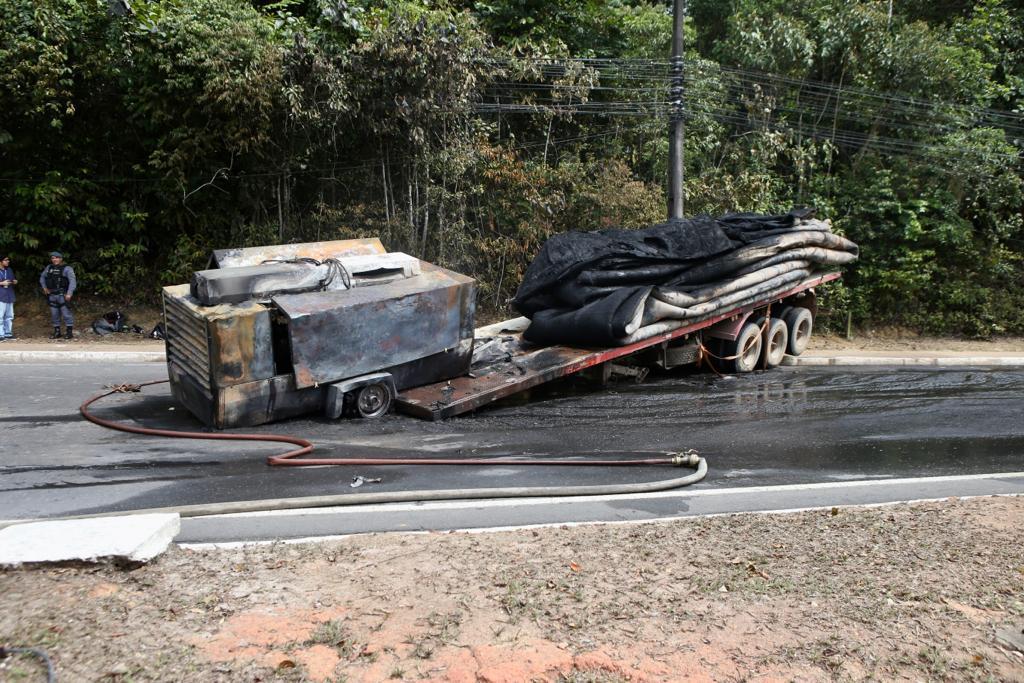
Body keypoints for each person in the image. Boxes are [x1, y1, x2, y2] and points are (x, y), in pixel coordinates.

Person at [39, 251, 77, 340]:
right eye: (53, 258)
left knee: (66, 314)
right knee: (54, 314)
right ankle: (57, 332)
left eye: (56, 258)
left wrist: (69, 293)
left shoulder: (67, 268)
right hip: (52, 295)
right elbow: (42, 277)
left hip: (63, 295)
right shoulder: (49, 268)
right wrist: (44, 288)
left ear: (61, 259)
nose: (54, 259)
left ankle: (69, 332)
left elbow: (73, 282)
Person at [0, 255, 16, 340]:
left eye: (8, 260)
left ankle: (8, 333)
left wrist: (14, 281)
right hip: (1, 296)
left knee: (9, 316)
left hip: (9, 295)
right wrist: (1, 283)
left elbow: (12, 279)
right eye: (6, 260)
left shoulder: (9, 270)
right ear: (0, 262)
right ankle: (0, 334)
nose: (8, 261)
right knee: (0, 316)